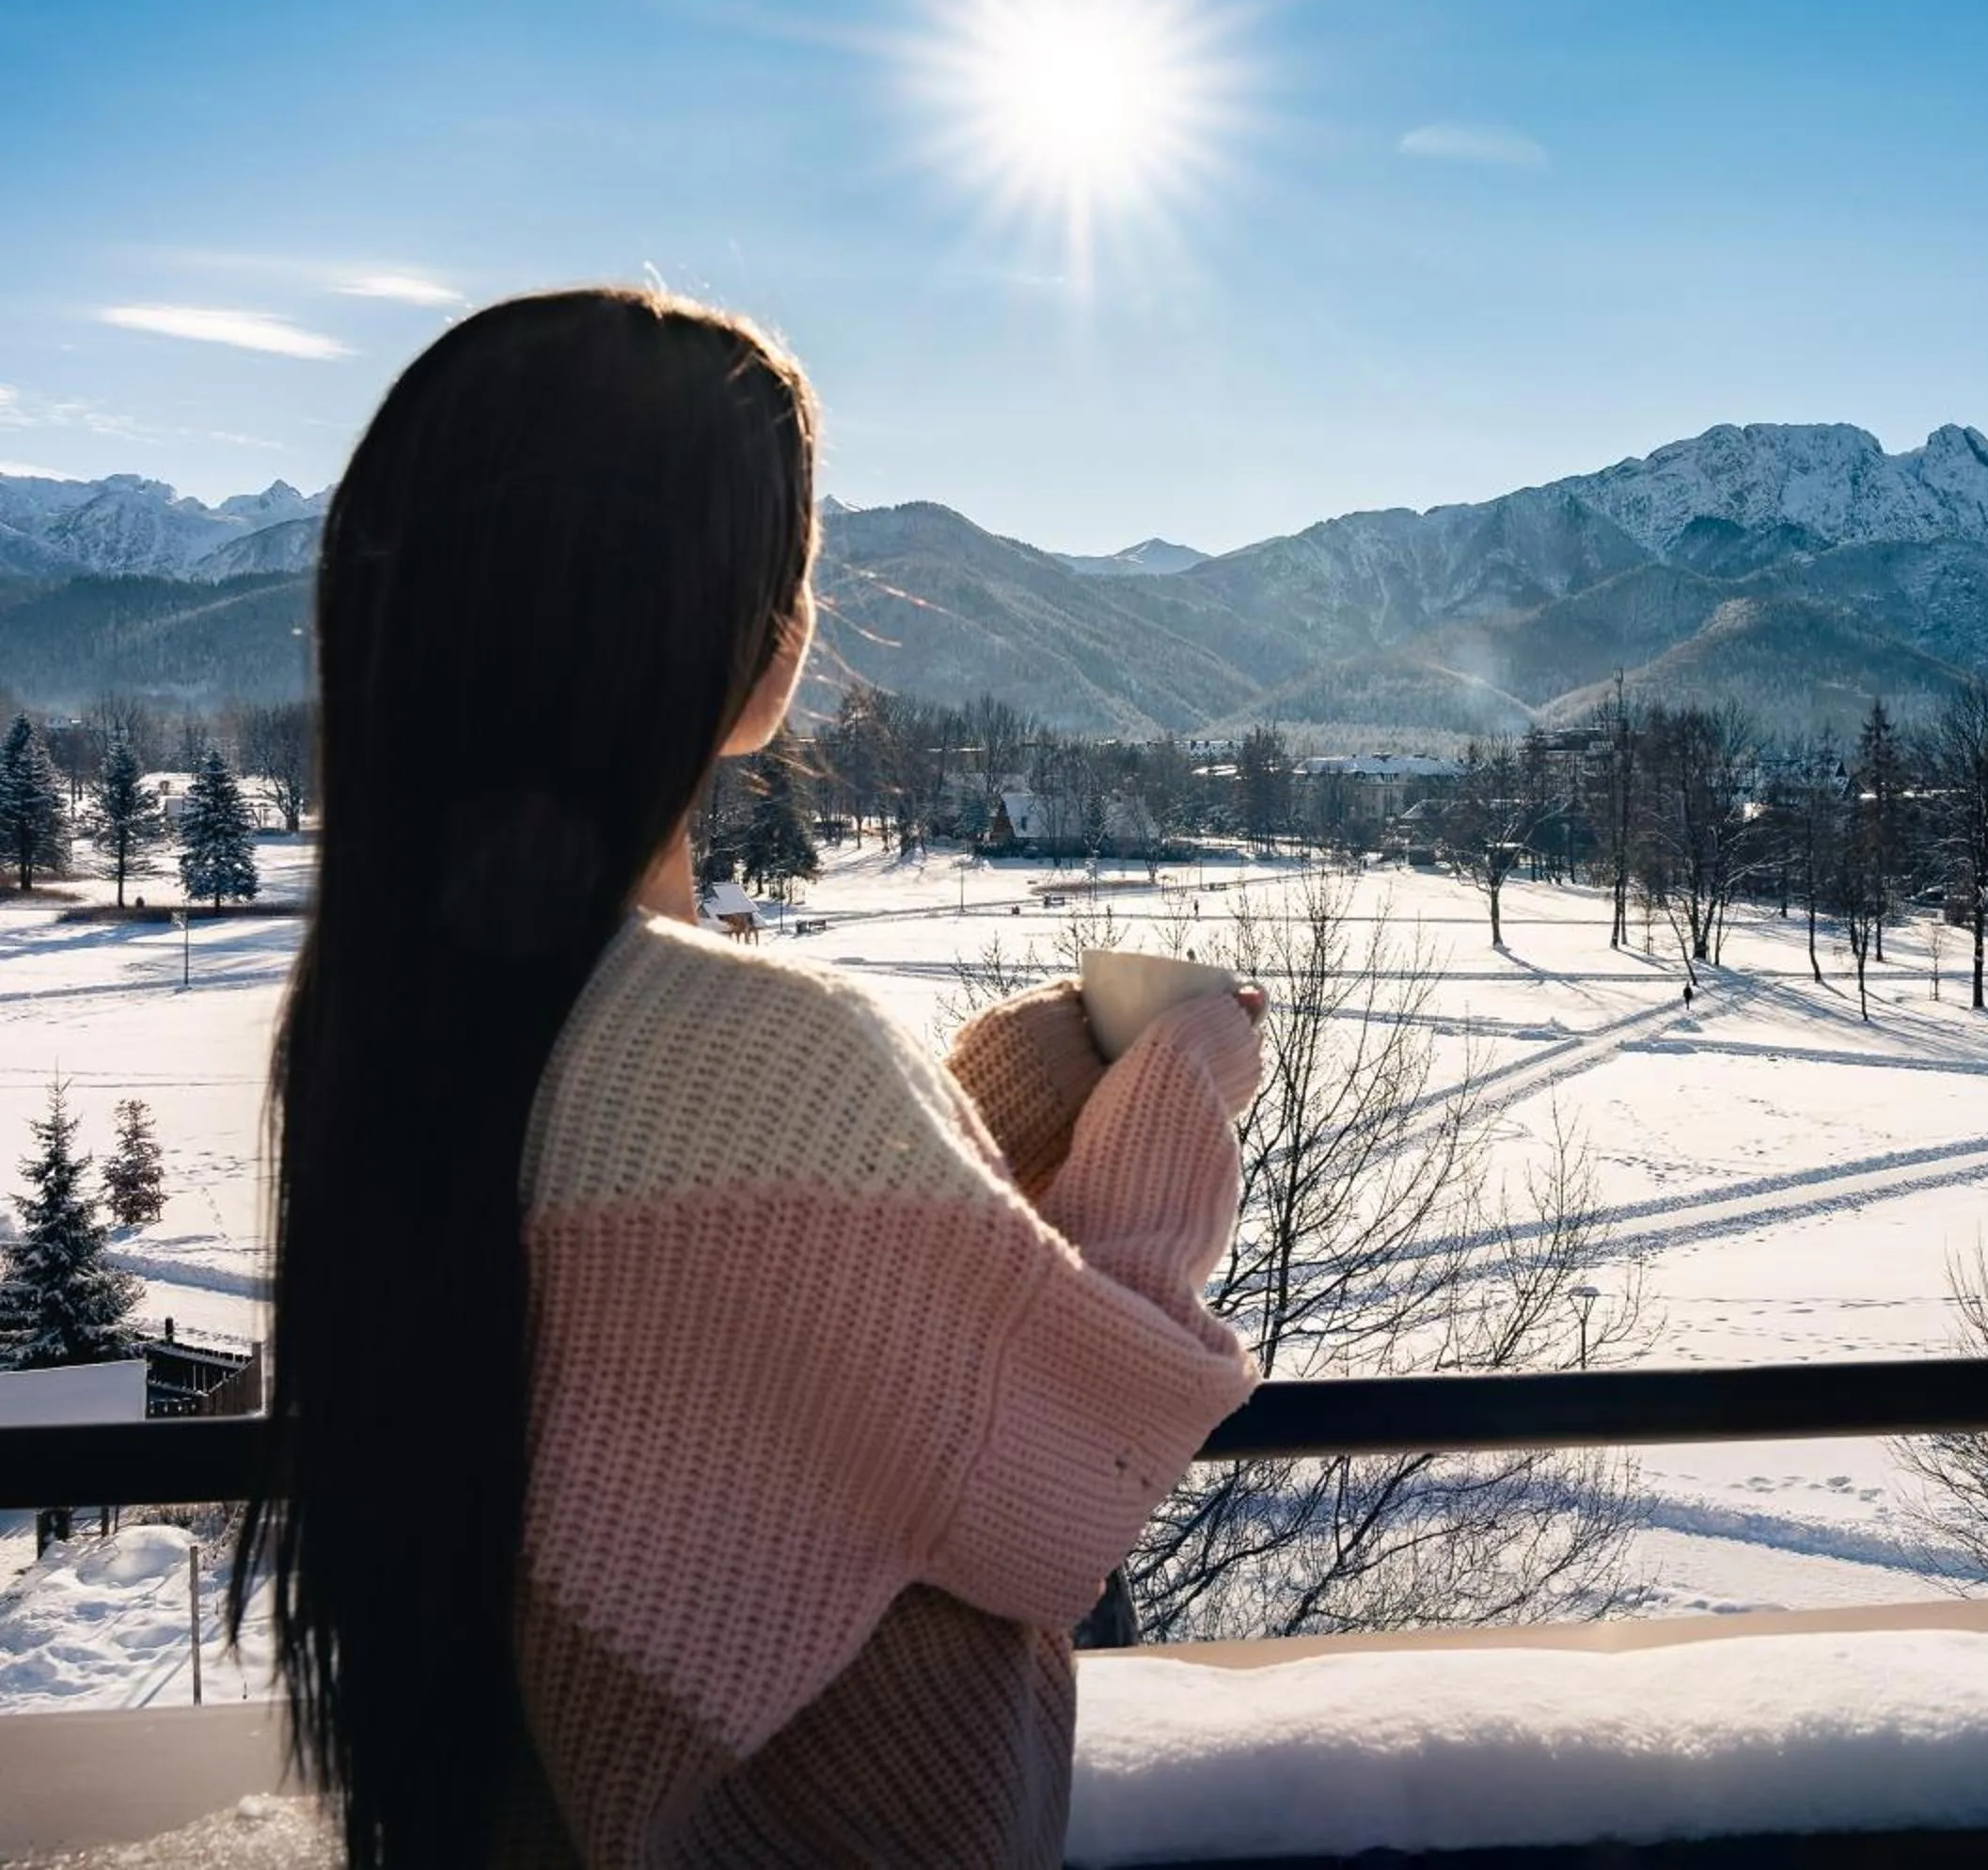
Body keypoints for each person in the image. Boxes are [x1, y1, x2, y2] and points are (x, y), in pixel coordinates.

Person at [234, 289, 1260, 1867]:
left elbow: (739, 1315)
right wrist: (1180, 1092)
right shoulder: (755, 1046)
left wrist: (1015, 1089)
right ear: (721, 628)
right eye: (792, 562)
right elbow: (1071, 1466)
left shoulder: (404, 1022)